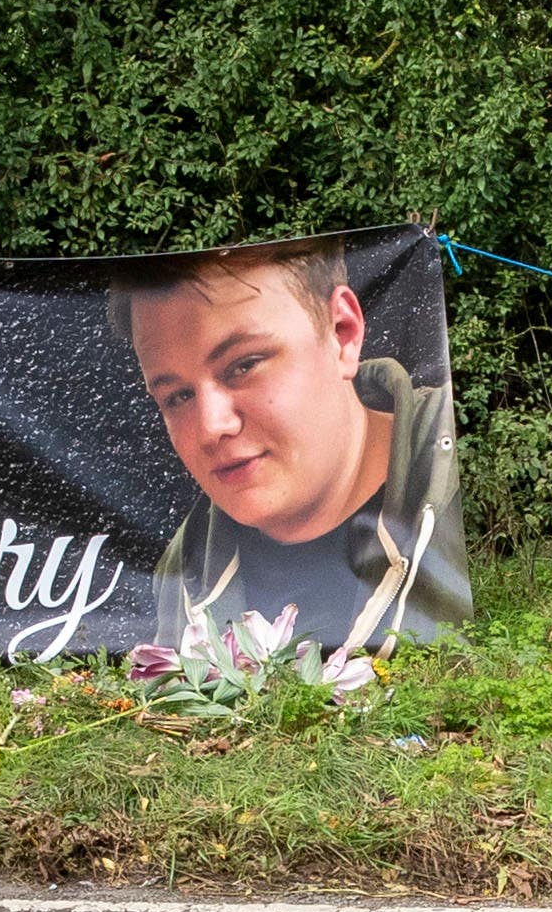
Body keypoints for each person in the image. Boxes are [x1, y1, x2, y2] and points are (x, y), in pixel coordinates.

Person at [112, 241, 468, 658]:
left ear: (342, 333)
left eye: (244, 365)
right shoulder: (185, 571)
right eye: (177, 397)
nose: (212, 428)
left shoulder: (460, 485)